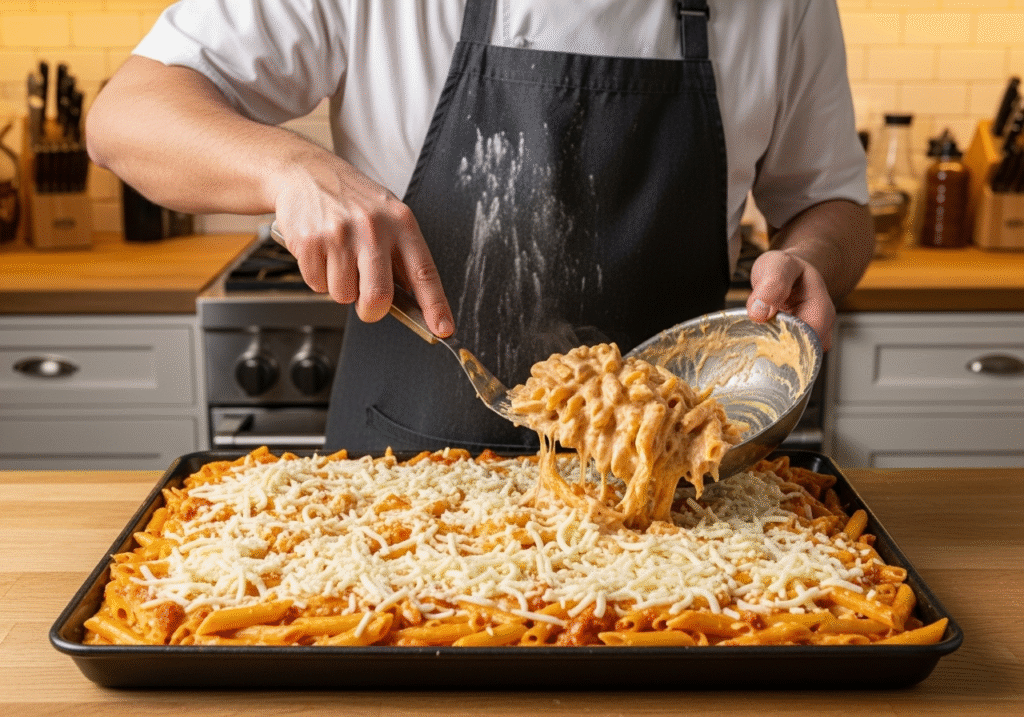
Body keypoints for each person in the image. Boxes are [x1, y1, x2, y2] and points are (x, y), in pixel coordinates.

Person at [86, 0, 874, 454]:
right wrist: (287, 167)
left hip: (673, 506)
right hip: (396, 495)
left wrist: (812, 257)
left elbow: (832, 203)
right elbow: (127, 116)